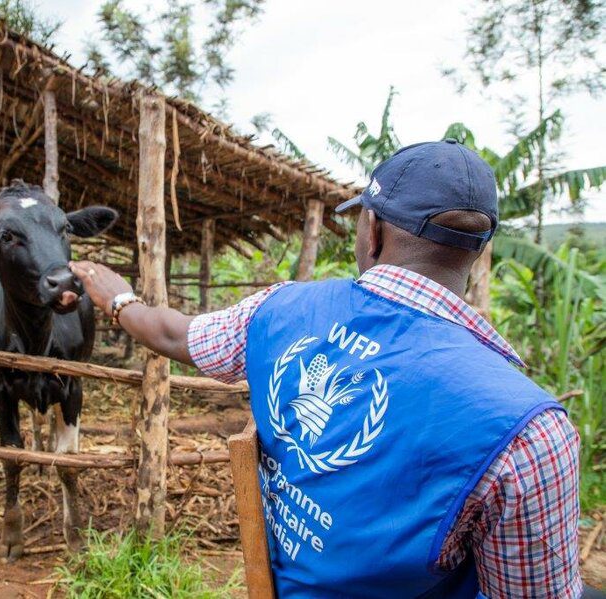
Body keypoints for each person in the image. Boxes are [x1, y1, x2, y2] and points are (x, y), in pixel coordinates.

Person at [70, 140, 582, 598]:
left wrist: (120, 299)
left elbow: (174, 335)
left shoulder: (279, 309)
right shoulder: (531, 432)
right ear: (480, 247)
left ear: (373, 231)